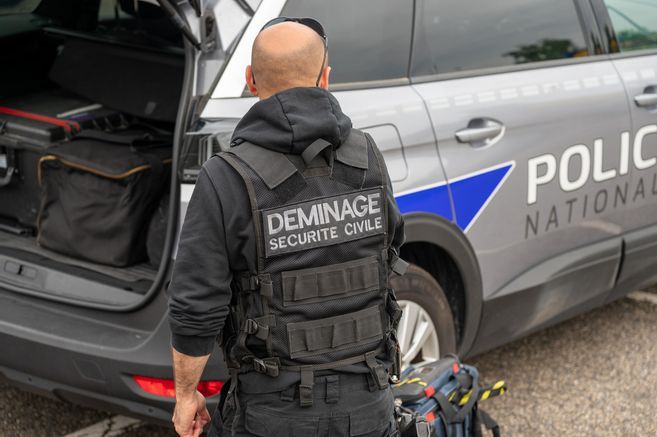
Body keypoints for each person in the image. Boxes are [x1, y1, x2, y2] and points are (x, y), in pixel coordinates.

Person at [168, 17, 406, 437]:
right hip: (369, 402)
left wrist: (186, 395)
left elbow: (196, 305)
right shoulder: (368, 156)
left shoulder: (227, 176)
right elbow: (390, 253)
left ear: (250, 82)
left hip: (275, 414)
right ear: (325, 78)